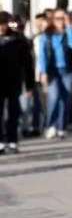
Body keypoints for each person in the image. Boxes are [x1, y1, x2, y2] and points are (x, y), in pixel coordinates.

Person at [37, 8, 72, 139]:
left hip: (67, 70)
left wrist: (69, 26)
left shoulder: (68, 33)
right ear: (52, 20)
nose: (60, 21)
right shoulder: (46, 35)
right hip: (52, 70)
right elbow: (42, 55)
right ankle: (50, 125)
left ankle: (62, 127)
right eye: (58, 18)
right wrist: (43, 72)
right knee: (53, 97)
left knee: (65, 99)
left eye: (63, 18)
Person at [0, 12, 34, 153]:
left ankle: (13, 141)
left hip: (14, 81)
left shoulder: (19, 40)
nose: (1, 27)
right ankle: (1, 142)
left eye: (4, 24)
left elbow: (27, 64)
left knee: (14, 112)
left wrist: (30, 84)